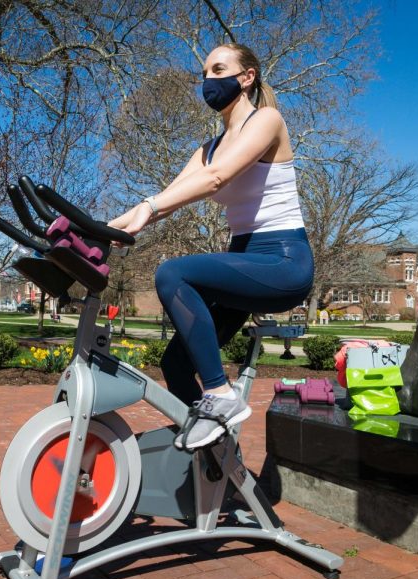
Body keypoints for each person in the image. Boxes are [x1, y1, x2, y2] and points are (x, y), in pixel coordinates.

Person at [109, 43, 314, 450]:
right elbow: (164, 200)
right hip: (243, 262)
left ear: (246, 77)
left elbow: (217, 179)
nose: (208, 81)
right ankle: (217, 455)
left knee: (173, 272)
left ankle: (221, 397)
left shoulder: (267, 121)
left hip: (283, 261)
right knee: (175, 363)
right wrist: (96, 229)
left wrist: (149, 209)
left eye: (218, 69)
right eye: (203, 74)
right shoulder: (207, 149)